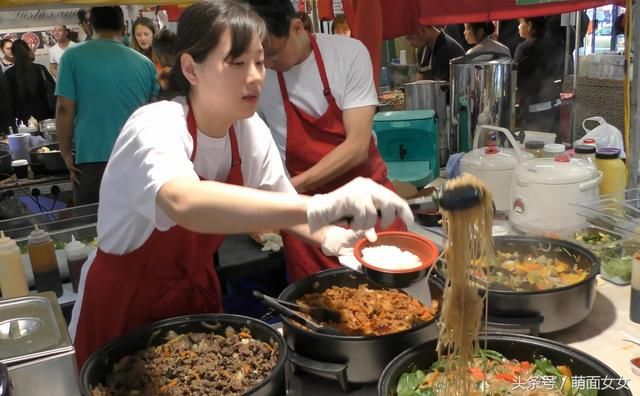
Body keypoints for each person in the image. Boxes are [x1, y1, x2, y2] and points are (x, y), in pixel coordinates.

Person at [69, 0, 413, 366]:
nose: (255, 76)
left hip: (193, 296)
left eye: (260, 61)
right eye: (237, 62)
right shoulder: (155, 124)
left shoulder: (247, 130)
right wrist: (319, 204)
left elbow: (282, 207)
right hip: (125, 302)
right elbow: (184, 201)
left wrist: (330, 236)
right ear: (191, 68)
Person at [247, 0, 407, 282]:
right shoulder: (258, 76)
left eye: (272, 54)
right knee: (318, 314)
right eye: (260, 58)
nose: (267, 66)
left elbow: (357, 148)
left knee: (395, 307)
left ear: (297, 27)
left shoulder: (347, 54)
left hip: (368, 208)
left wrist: (287, 191)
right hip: (308, 224)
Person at [56, 6, 158, 205]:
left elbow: (64, 108)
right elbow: (153, 113)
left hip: (91, 157)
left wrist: (66, 153)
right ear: (123, 27)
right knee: (134, 224)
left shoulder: (71, 57)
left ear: (90, 26)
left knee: (89, 227)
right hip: (136, 156)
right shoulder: (145, 64)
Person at [514, 17, 564, 137]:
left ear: (530, 25)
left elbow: (517, 79)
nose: (518, 27)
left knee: (533, 148)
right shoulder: (554, 43)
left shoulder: (524, 48)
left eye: (520, 23)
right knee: (552, 146)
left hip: (534, 110)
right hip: (554, 106)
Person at [5, 40, 56, 125]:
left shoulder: (9, 73)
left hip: (21, 118)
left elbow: (9, 99)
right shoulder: (40, 69)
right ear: (28, 51)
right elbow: (53, 89)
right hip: (44, 114)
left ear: (13, 54)